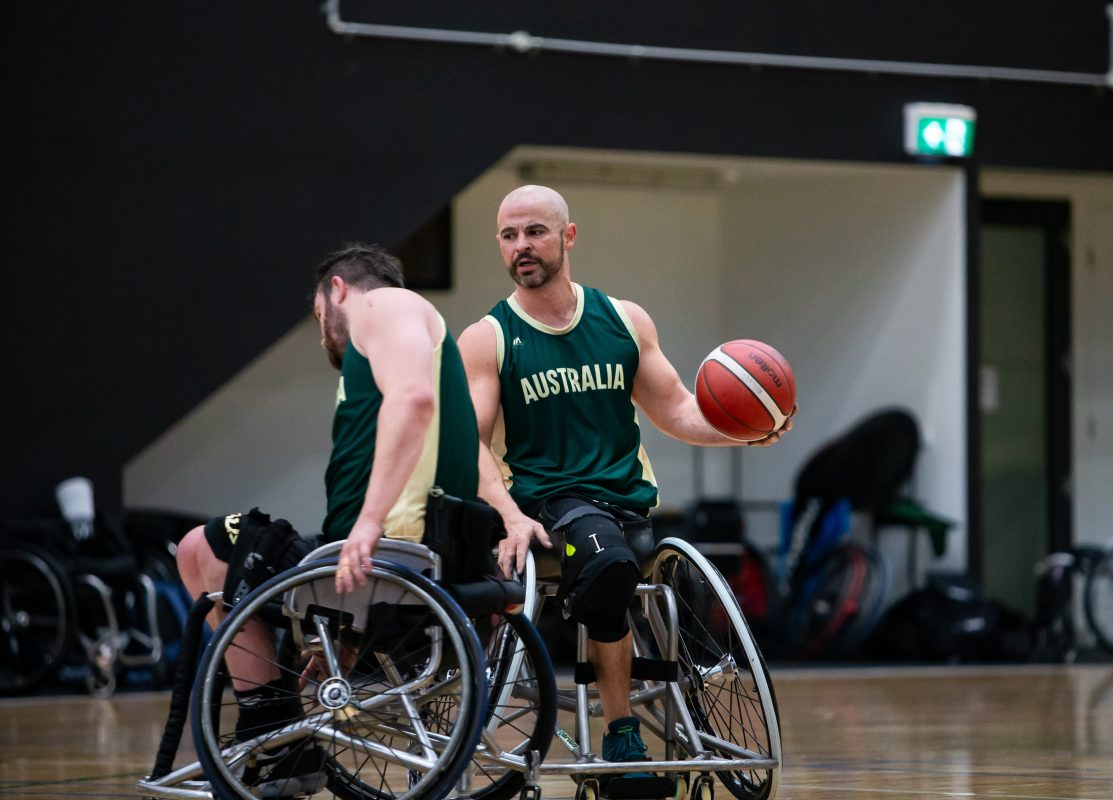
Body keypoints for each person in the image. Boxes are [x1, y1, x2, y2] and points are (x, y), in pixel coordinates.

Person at [458, 185, 793, 788]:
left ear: (568, 236)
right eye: (508, 236)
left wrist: (743, 431)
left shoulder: (623, 320)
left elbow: (678, 410)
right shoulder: (488, 338)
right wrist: (508, 514)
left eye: (534, 231)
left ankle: (665, 693)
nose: (520, 247)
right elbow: (470, 444)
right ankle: (621, 732)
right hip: (546, 507)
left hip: (629, 507)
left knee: (620, 552)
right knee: (606, 562)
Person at [175, 243, 479, 798]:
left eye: (319, 317)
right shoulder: (397, 335)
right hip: (396, 553)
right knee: (231, 553)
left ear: (337, 289)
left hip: (390, 548)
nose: (323, 334)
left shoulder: (381, 306)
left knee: (200, 547)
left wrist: (367, 524)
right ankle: (283, 735)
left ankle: (276, 736)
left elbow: (413, 401)